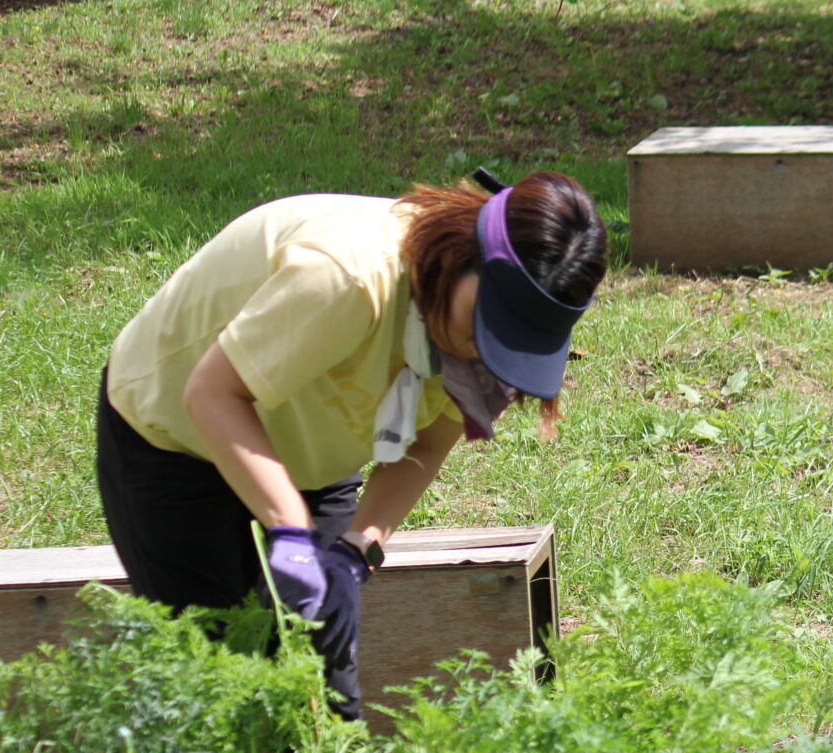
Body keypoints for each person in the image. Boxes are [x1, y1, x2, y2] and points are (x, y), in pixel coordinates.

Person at [96, 170, 605, 718]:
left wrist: (356, 551)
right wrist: (291, 530)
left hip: (309, 453)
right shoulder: (346, 276)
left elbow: (426, 446)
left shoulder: (489, 340)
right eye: (486, 324)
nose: (482, 349)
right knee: (214, 685)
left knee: (326, 699)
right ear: (464, 256)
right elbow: (214, 394)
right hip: (178, 438)